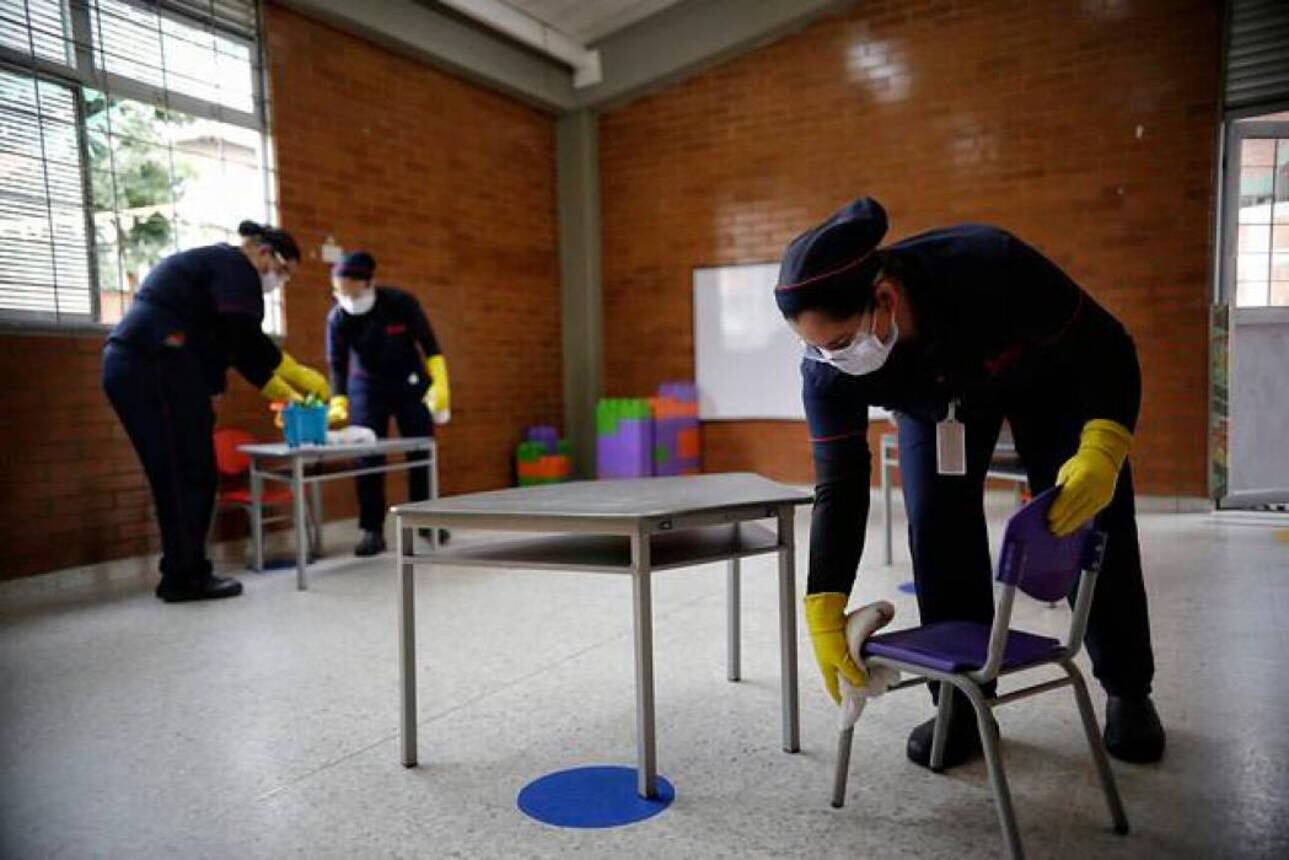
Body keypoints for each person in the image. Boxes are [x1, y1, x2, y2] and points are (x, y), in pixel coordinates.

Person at [777, 197, 1166, 766]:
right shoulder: (826, 371)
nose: (827, 359)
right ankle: (961, 703)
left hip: (1042, 382)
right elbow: (841, 486)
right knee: (936, 529)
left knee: (1091, 515)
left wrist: (1106, 444)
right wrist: (824, 601)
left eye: (837, 343)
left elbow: (1109, 349)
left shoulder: (990, 262)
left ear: (883, 299)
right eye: (812, 346)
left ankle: (1129, 689)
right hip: (938, 408)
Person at [103, 220, 331, 603]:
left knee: (186, 472)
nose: (279, 281)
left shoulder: (214, 271)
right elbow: (244, 339)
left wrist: (283, 390)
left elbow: (233, 346)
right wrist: (292, 374)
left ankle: (183, 570)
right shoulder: (234, 267)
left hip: (151, 367)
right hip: (154, 364)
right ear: (263, 252)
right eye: (282, 271)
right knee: (186, 473)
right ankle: (184, 576)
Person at [326, 252, 450, 556]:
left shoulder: (400, 303)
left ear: (369, 283)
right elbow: (337, 364)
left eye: (352, 291)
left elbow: (430, 345)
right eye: (340, 292)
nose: (347, 298)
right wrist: (339, 399)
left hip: (409, 382)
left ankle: (426, 521)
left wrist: (440, 383)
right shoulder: (338, 317)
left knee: (421, 452)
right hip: (366, 387)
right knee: (368, 458)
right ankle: (372, 530)